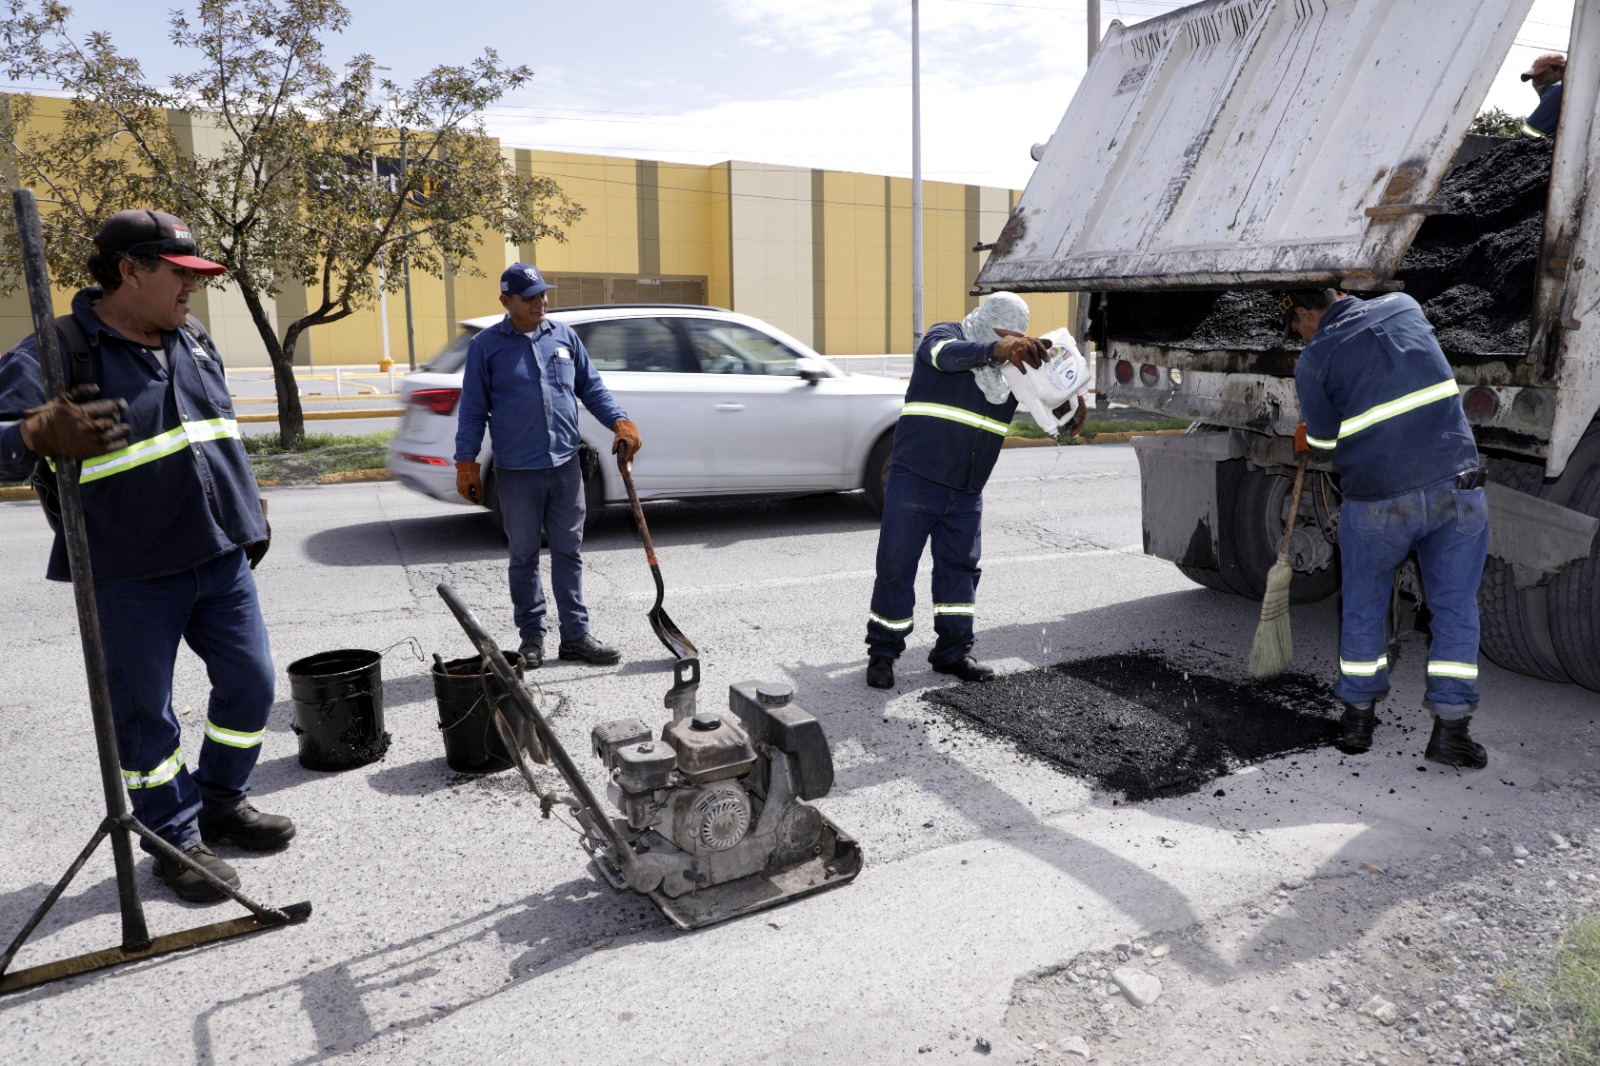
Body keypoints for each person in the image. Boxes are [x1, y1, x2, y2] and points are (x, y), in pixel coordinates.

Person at [0, 209, 292, 902]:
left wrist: (247, 501)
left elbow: (214, 432)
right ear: (130, 271)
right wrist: (34, 433)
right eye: (179, 275)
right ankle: (173, 837)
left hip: (219, 558)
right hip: (128, 571)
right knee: (145, 717)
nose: (194, 290)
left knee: (251, 685)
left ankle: (221, 800)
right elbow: (6, 439)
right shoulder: (57, 348)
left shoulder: (193, 340)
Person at [1283, 288, 1490, 769]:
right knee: (1455, 608)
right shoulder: (1406, 304)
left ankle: (1357, 723)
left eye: (1297, 327)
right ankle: (1451, 733)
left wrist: (1306, 436)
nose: (1300, 337)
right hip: (1456, 488)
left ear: (1307, 313)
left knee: (1363, 605)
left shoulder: (1314, 360)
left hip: (1379, 502)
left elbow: (1324, 440)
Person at [454, 264, 641, 668]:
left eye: (543, 294)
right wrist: (466, 463)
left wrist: (620, 421)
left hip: (565, 465)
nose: (541, 302)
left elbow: (590, 388)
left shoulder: (563, 336)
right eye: (530, 297)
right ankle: (531, 637)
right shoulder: (486, 346)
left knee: (569, 552)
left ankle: (575, 636)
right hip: (517, 471)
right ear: (506, 301)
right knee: (523, 555)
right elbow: (472, 410)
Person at [864, 292, 1052, 689]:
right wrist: (993, 348)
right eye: (1004, 335)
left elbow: (1047, 404)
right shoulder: (946, 335)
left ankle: (952, 653)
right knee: (897, 566)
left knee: (960, 574)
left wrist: (1070, 408)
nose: (1010, 343)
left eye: (1016, 337)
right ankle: (883, 652)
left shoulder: (1010, 370)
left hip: (966, 490)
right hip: (916, 478)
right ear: (986, 322)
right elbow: (944, 356)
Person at [1520, 52, 1565, 138]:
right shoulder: (1567, 91)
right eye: (1533, 77)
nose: (1536, 80)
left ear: (1560, 71)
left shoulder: (1559, 91)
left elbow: (1529, 134)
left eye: (1541, 74)